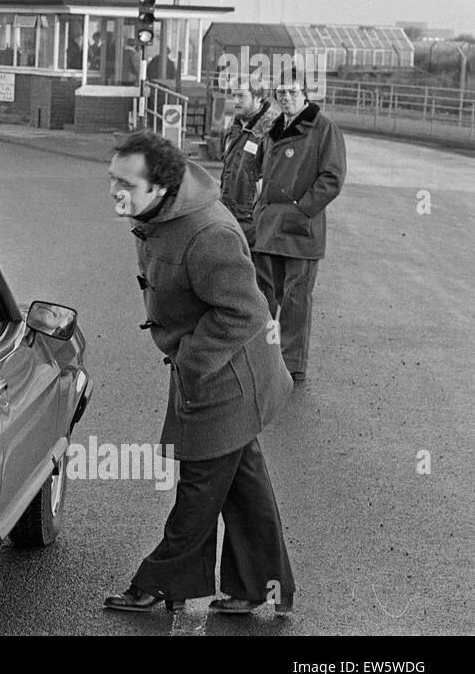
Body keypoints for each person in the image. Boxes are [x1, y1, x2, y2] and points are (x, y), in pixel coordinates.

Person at [103, 130, 296, 616]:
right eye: (113, 178)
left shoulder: (207, 233)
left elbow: (246, 312)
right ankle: (263, 588)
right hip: (217, 373)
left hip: (226, 382)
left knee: (199, 487)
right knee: (244, 485)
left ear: (162, 186)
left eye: (127, 182)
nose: (115, 190)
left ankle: (161, 583)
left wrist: (189, 357)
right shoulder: (161, 214)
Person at [251, 75, 347, 385]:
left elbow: (332, 178)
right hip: (270, 226)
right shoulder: (272, 130)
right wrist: (259, 208)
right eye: (281, 92)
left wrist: (302, 209)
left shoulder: (324, 129)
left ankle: (292, 363)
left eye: (293, 92)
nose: (286, 97)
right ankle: (268, 356)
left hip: (301, 226)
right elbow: (257, 168)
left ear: (304, 95)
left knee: (296, 297)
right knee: (272, 294)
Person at [218, 82, 278, 245]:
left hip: (254, 220)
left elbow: (275, 177)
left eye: (241, 96)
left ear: (258, 97)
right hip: (228, 214)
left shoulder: (271, 130)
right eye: (234, 95)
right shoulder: (231, 128)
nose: (235, 101)